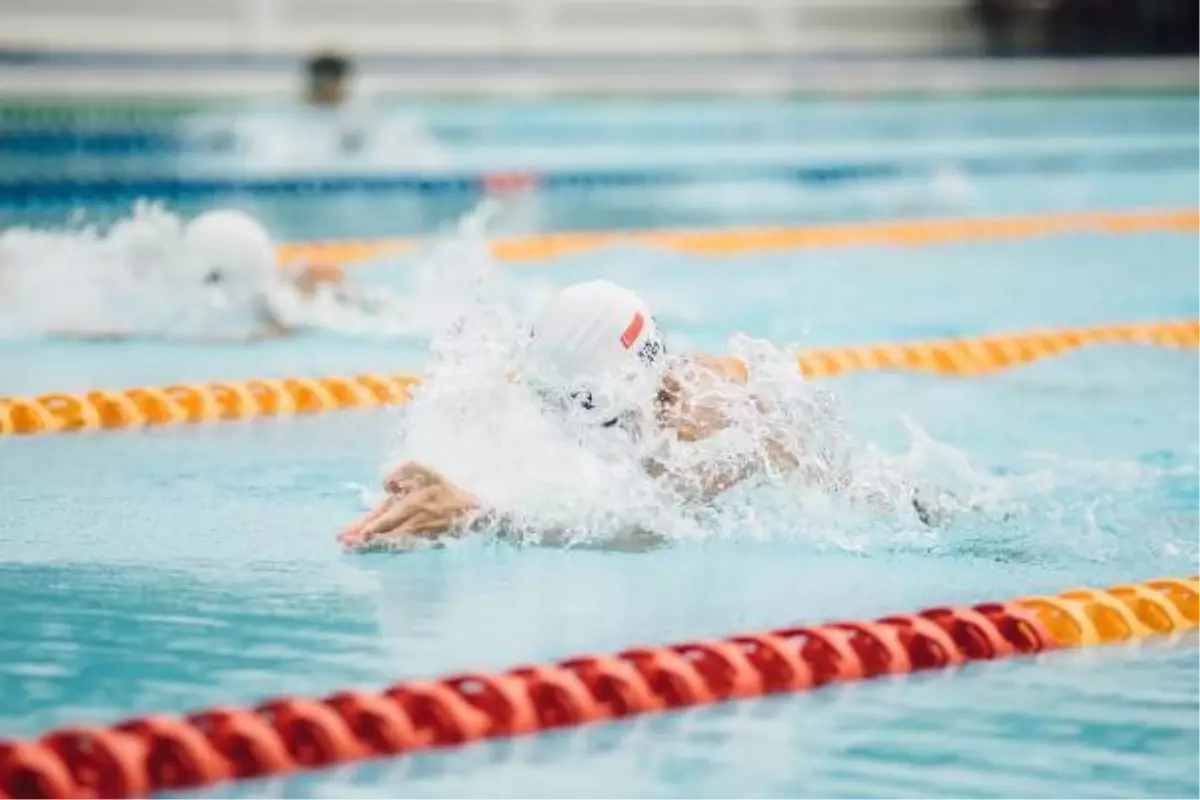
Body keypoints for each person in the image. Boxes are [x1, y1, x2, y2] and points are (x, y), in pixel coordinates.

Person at [339, 280, 889, 551]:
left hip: (890, 516)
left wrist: (476, 515)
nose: (559, 415)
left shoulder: (709, 418)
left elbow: (642, 528)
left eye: (577, 404)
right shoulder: (597, 378)